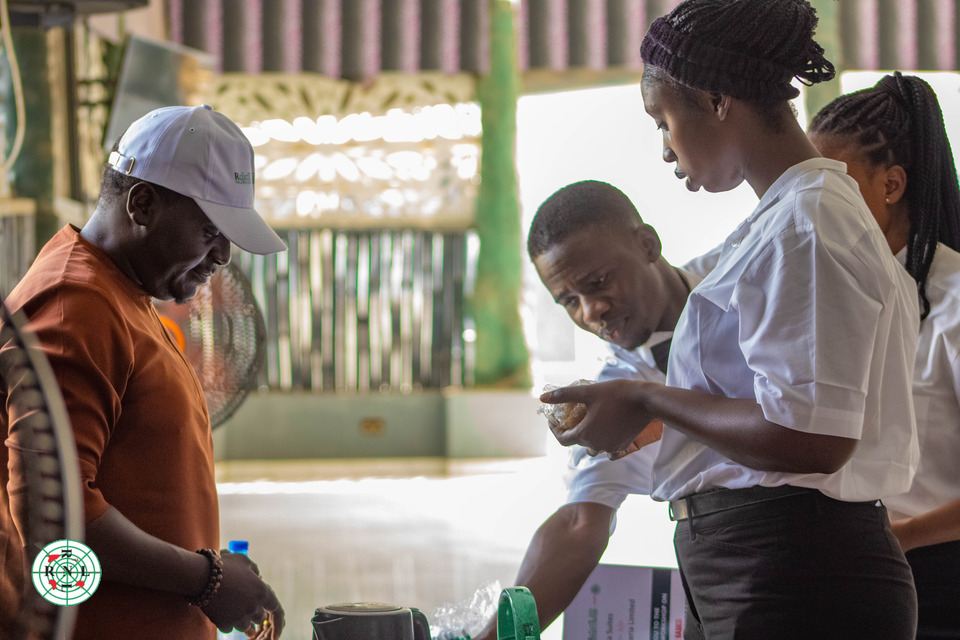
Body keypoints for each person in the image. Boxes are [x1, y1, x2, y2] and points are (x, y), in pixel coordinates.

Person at [541, 1, 921, 638]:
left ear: (718, 100)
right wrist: (658, 416)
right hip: (756, 566)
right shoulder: (780, 222)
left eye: (663, 122)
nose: (665, 149)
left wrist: (647, 398)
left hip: (798, 574)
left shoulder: (808, 222)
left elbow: (813, 438)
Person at [0, 104, 287, 640]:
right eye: (210, 230)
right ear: (143, 204)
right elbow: (50, 518)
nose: (223, 255)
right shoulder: (74, 306)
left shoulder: (123, 295)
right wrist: (206, 579)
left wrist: (205, 570)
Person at [473, 180, 697, 640]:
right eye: (569, 301)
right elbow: (578, 522)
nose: (591, 312)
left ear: (647, 244)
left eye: (598, 283)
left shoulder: (745, 283)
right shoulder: (614, 392)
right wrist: (495, 637)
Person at [809, 72, 960, 640]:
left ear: (891, 184)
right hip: (854, 569)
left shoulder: (954, 301)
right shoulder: (834, 293)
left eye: (833, 184)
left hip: (937, 577)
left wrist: (901, 538)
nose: (813, 203)